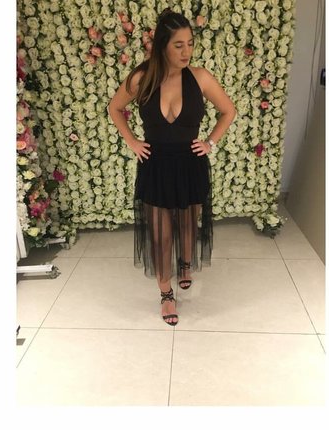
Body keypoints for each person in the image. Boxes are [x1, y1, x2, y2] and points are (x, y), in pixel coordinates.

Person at [108, 9, 236, 326]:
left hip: (190, 164)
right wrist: (132, 141)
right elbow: (115, 108)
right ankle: (166, 294)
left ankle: (186, 263)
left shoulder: (200, 77)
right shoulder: (141, 78)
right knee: (161, 236)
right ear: (162, 45)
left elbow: (228, 111)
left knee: (188, 227)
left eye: (190, 43)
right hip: (155, 167)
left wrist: (210, 142)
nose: (186, 51)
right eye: (178, 45)